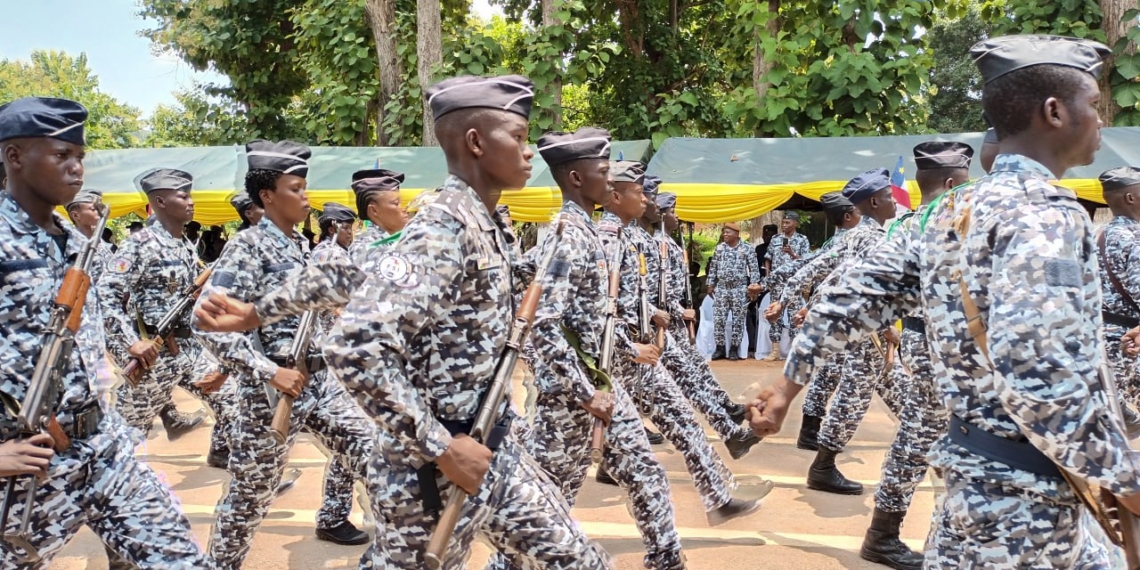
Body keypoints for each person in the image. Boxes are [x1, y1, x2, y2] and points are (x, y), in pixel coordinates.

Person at [750, 35, 1140, 567]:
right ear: (1053, 112)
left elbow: (852, 296)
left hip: (970, 478)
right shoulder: (1045, 214)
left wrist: (788, 382)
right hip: (1026, 507)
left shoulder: (953, 209)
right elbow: (1039, 370)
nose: (1100, 121)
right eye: (1093, 105)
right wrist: (1121, 476)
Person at [0, 96, 211, 568]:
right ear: (15, 157)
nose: (77, 169)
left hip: (104, 446)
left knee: (180, 558)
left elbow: (90, 330)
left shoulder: (76, 243)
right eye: (62, 155)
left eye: (81, 157)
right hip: (28, 465)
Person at [483, 127, 685, 570]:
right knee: (546, 503)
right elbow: (544, 323)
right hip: (570, 400)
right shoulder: (566, 233)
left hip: (601, 387)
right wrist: (584, 392)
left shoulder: (585, 230)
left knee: (645, 472)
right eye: (602, 171)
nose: (611, 181)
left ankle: (666, 558)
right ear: (575, 178)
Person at [193, 139, 376, 568]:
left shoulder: (298, 245)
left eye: (305, 187)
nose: (306, 196)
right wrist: (266, 371)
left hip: (317, 384)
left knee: (375, 455)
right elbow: (207, 324)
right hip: (270, 394)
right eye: (296, 188)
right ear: (268, 196)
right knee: (248, 498)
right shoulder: (247, 247)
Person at [598, 160, 765, 525]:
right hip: (615, 363)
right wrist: (636, 339)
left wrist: (654, 312)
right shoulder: (607, 238)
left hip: (644, 356)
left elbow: (628, 295)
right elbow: (594, 305)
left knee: (684, 422)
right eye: (640, 192)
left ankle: (717, 498)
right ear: (614, 195)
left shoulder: (631, 238)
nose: (647, 199)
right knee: (558, 463)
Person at [98, 168, 210, 445]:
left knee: (235, 402)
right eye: (183, 196)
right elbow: (104, 294)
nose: (191, 202)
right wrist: (129, 343)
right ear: (159, 202)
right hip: (155, 356)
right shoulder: (139, 245)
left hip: (192, 349)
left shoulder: (185, 244)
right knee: (126, 435)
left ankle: (250, 475)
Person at [645, 188, 759, 458]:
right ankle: (729, 433)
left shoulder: (664, 241)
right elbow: (645, 290)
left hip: (667, 326)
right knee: (683, 387)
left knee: (694, 375)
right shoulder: (652, 243)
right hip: (652, 329)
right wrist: (678, 310)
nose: (676, 216)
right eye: (671, 211)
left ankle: (728, 417)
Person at [768, 193, 861, 451]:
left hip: (845, 318)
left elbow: (817, 272)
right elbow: (824, 275)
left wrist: (805, 305)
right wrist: (790, 301)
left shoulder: (840, 240)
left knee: (838, 375)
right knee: (840, 376)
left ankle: (812, 433)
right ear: (847, 215)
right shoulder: (850, 241)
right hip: (845, 320)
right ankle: (819, 443)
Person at [1097, 167, 1140, 410]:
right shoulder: (1134, 238)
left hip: (1108, 341)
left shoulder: (1098, 234)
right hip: (1133, 342)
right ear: (1130, 198)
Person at [706, 222, 761, 360]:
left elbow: (754, 269)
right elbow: (713, 267)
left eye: (728, 232)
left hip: (739, 289)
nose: (725, 234)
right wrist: (710, 284)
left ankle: (734, 349)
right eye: (724, 232)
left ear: (736, 234)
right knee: (719, 319)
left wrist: (753, 288)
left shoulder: (747, 248)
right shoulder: (719, 248)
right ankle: (720, 348)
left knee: (738, 320)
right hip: (722, 288)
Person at [761, 212, 810, 360]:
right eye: (783, 222)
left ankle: (794, 351)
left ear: (795, 223)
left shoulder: (802, 240)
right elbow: (768, 258)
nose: (784, 225)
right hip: (777, 284)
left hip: (794, 283)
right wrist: (769, 277)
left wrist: (793, 254)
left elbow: (807, 260)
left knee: (794, 316)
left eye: (788, 223)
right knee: (775, 315)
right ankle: (775, 351)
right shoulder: (776, 239)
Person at [348, 168, 406, 266]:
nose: (404, 209)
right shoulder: (366, 247)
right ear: (374, 210)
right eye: (396, 203)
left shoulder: (394, 240)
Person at [64, 188, 112, 284]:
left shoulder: (102, 244)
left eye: (100, 209)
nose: (100, 213)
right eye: (94, 209)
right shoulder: (71, 247)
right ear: (76, 216)